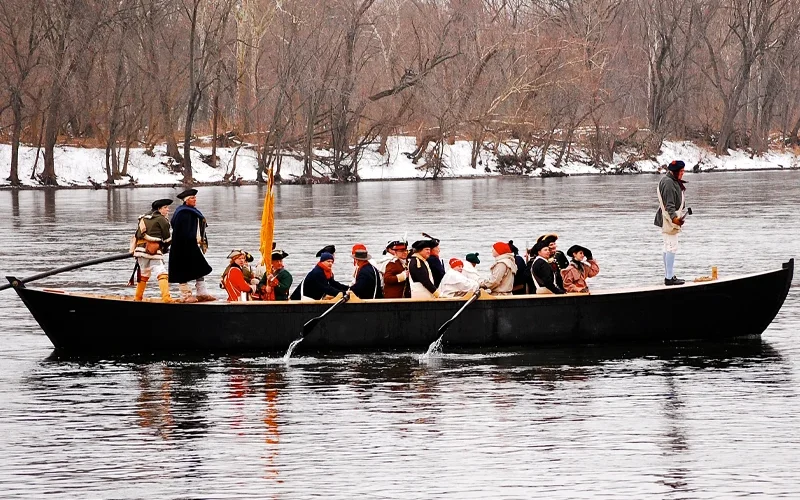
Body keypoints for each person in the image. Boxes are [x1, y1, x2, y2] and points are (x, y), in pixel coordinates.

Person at [168, 188, 215, 302]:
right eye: (192, 198)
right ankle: (186, 295)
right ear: (186, 200)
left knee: (199, 267)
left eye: (195, 198)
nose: (195, 200)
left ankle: (202, 293)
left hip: (191, 244)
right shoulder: (183, 213)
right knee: (182, 269)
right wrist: (190, 239)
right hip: (182, 245)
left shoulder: (190, 211)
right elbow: (179, 230)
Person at [131, 198, 174, 302]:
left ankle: (137, 298)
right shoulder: (162, 219)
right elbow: (167, 239)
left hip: (139, 251)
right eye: (165, 207)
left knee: (144, 274)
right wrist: (165, 248)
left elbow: (137, 235)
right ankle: (166, 298)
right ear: (159, 209)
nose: (168, 210)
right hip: (153, 251)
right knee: (161, 273)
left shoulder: (143, 218)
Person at [655, 160, 689, 286]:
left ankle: (668, 275)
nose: (683, 173)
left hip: (666, 218)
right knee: (672, 247)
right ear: (675, 172)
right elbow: (669, 205)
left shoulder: (668, 180)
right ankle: (669, 278)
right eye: (681, 171)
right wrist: (675, 219)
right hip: (668, 220)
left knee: (666, 247)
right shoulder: (669, 183)